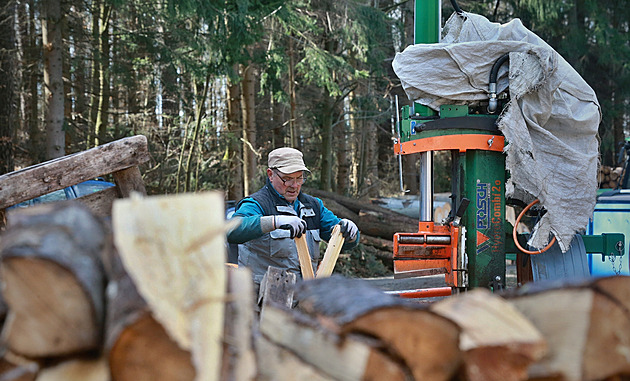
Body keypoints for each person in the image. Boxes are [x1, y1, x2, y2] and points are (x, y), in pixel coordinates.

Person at [227, 147, 360, 286]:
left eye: (299, 178)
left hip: (303, 299)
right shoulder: (257, 203)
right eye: (287, 179)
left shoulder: (313, 206)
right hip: (263, 301)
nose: (294, 185)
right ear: (270, 174)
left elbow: (343, 240)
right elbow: (232, 230)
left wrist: (350, 233)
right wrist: (274, 221)